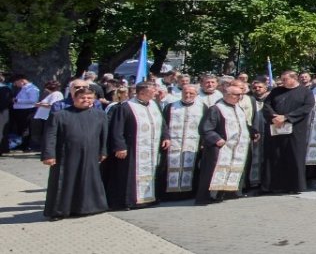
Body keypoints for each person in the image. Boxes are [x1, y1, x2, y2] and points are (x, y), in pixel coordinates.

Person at [41, 84, 109, 220]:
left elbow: (104, 136)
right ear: (74, 98)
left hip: (91, 154)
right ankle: (60, 211)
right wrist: (49, 155)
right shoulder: (59, 115)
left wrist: (103, 151)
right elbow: (50, 136)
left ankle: (87, 208)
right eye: (82, 97)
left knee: (88, 181)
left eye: (90, 98)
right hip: (66, 155)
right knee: (65, 182)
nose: (86, 100)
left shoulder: (100, 115)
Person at [103, 81, 163, 210]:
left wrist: (166, 137)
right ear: (142, 92)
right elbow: (116, 129)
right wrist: (119, 146)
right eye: (153, 90)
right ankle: (130, 201)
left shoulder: (154, 105)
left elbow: (163, 123)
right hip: (132, 148)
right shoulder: (126, 107)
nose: (156, 92)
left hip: (151, 148)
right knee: (129, 175)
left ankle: (149, 199)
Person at [197, 80, 257, 204]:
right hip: (220, 148)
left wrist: (252, 132)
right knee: (213, 172)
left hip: (235, 149)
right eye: (237, 95)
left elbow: (242, 125)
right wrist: (216, 139)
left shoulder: (238, 108)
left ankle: (224, 193)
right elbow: (205, 128)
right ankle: (207, 197)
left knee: (231, 170)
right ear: (227, 94)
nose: (240, 97)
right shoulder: (217, 108)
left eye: (241, 95)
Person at [260, 71, 315, 193]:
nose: (283, 81)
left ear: (294, 78)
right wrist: (274, 117)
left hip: (295, 129)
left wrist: (286, 117)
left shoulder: (305, 92)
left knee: (294, 156)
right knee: (274, 156)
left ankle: (294, 186)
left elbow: (306, 107)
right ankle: (272, 186)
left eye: (285, 79)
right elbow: (267, 105)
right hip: (276, 127)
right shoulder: (276, 91)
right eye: (282, 79)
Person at [159, 83, 205, 200]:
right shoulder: (170, 107)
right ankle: (169, 195)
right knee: (169, 167)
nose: (188, 95)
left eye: (191, 93)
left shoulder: (202, 107)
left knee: (192, 168)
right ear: (181, 93)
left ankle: (188, 194)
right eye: (185, 93)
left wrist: (203, 142)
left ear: (196, 94)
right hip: (173, 144)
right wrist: (165, 137)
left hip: (193, 145)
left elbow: (205, 126)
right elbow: (163, 125)